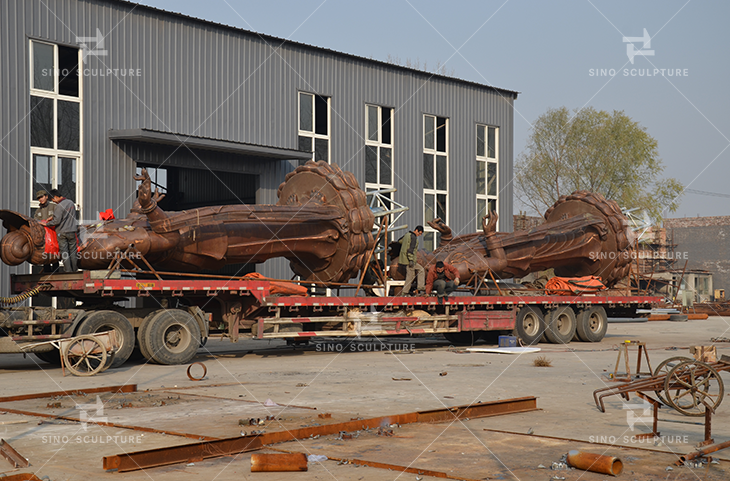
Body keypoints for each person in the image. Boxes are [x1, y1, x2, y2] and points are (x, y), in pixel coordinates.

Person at [47, 189, 79, 272]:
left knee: (64, 253)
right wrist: (54, 217)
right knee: (73, 252)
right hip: (72, 231)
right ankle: (75, 270)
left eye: (53, 200)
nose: (54, 202)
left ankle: (68, 271)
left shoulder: (59, 206)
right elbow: (67, 216)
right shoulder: (71, 203)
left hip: (62, 232)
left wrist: (46, 224)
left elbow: (56, 221)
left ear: (55, 197)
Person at [398, 225, 424, 295]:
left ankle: (406, 291)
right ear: (416, 230)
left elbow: (400, 241)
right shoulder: (414, 238)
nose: (419, 235)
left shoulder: (407, 235)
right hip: (409, 260)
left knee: (412, 275)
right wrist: (411, 260)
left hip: (403, 259)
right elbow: (410, 250)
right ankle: (419, 287)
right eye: (419, 233)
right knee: (419, 271)